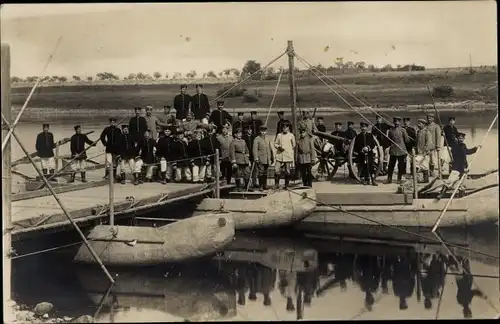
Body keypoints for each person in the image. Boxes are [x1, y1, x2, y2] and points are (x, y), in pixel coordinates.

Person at [436, 132, 481, 200]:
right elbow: (457, 157)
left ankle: (461, 198)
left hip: (464, 167)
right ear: (456, 138)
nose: (461, 139)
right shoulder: (454, 146)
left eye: (462, 138)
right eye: (460, 138)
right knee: (450, 181)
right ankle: (441, 194)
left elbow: (467, 152)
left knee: (461, 184)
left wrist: (476, 148)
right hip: (457, 167)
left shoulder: (463, 145)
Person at [385, 117, 410, 184]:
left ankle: (399, 179)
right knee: (391, 165)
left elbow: (407, 140)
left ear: (399, 122)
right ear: (393, 122)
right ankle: (389, 179)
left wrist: (405, 149)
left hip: (401, 150)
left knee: (400, 166)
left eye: (397, 121)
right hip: (393, 150)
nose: (396, 123)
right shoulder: (390, 130)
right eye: (395, 121)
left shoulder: (403, 130)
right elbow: (389, 140)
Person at [274, 122, 296, 189]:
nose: (284, 129)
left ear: (288, 128)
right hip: (279, 155)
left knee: (287, 170)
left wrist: (289, 151)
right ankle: (277, 184)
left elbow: (294, 145)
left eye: (286, 127)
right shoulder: (279, 135)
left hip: (287, 155)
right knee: (276, 169)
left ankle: (286, 185)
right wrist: (278, 147)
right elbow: (275, 143)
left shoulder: (291, 135)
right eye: (283, 127)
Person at [252, 125, 274, 191]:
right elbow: (254, 149)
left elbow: (269, 149)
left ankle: (265, 185)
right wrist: (256, 158)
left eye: (264, 131)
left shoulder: (267, 139)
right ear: (260, 131)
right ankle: (261, 186)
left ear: (266, 131)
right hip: (260, 159)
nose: (263, 132)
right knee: (261, 172)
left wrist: (270, 158)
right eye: (262, 131)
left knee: (265, 173)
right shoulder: (257, 139)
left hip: (267, 159)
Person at [415, 118, 433, 183]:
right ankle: (419, 178)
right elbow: (416, 142)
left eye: (419, 124)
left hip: (424, 153)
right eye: (418, 123)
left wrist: (425, 151)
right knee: (418, 164)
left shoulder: (427, 133)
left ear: (423, 125)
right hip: (419, 152)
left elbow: (429, 143)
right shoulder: (418, 132)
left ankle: (426, 179)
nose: (418, 125)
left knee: (424, 165)